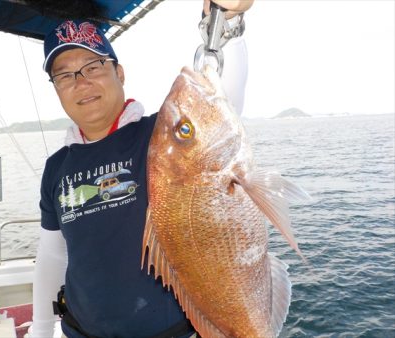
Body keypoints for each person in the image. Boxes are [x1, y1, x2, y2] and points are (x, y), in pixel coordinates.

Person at [30, 1, 254, 337]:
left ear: (119, 73)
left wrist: (228, 21)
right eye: (64, 75)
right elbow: (51, 255)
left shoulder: (160, 137)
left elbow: (223, 102)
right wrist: (41, 328)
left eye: (93, 67)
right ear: (57, 89)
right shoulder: (56, 167)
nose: (81, 82)